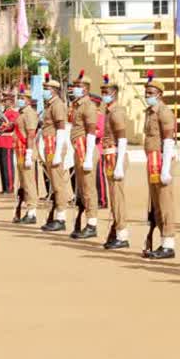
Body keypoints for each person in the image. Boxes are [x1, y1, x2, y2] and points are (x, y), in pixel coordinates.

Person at [142, 71, 177, 259]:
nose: (148, 96)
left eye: (151, 93)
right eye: (146, 93)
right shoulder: (149, 112)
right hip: (152, 161)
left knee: (165, 203)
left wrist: (165, 169)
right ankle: (162, 241)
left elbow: (169, 140)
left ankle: (168, 242)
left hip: (161, 161)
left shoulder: (164, 112)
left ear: (159, 95)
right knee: (156, 204)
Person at [100, 74, 130, 249]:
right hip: (109, 155)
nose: (104, 94)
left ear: (115, 94)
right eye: (103, 91)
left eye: (107, 92)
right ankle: (118, 230)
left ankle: (122, 233)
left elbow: (122, 139)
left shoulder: (117, 113)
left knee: (117, 197)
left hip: (115, 155)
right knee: (113, 196)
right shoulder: (109, 110)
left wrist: (119, 164)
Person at [68, 71, 99, 239]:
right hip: (78, 150)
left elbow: (91, 132)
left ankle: (92, 223)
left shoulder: (89, 106)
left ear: (86, 89)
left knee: (88, 189)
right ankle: (85, 220)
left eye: (78, 87)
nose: (75, 89)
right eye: (74, 87)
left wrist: (87, 157)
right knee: (81, 189)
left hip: (85, 150)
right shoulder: (77, 105)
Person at [40, 73, 72, 231]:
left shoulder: (57, 105)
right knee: (54, 182)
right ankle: (57, 215)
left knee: (58, 182)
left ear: (53, 90)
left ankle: (61, 217)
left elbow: (61, 129)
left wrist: (58, 153)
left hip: (55, 146)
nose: (44, 90)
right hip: (50, 145)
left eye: (46, 88)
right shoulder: (50, 105)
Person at [12, 85, 39, 224]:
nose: (19, 100)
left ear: (28, 100)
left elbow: (31, 134)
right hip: (19, 151)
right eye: (19, 98)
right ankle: (27, 210)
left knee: (29, 183)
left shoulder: (29, 113)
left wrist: (29, 153)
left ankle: (32, 212)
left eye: (22, 98)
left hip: (26, 151)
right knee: (23, 183)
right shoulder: (21, 113)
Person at [0, 91, 19, 194]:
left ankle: (9, 187)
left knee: (8, 165)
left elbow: (11, 126)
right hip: (0, 140)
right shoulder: (3, 112)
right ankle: (4, 187)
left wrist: (2, 127)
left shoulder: (13, 113)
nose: (4, 102)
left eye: (6, 101)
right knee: (2, 165)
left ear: (11, 101)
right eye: (4, 101)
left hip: (7, 140)